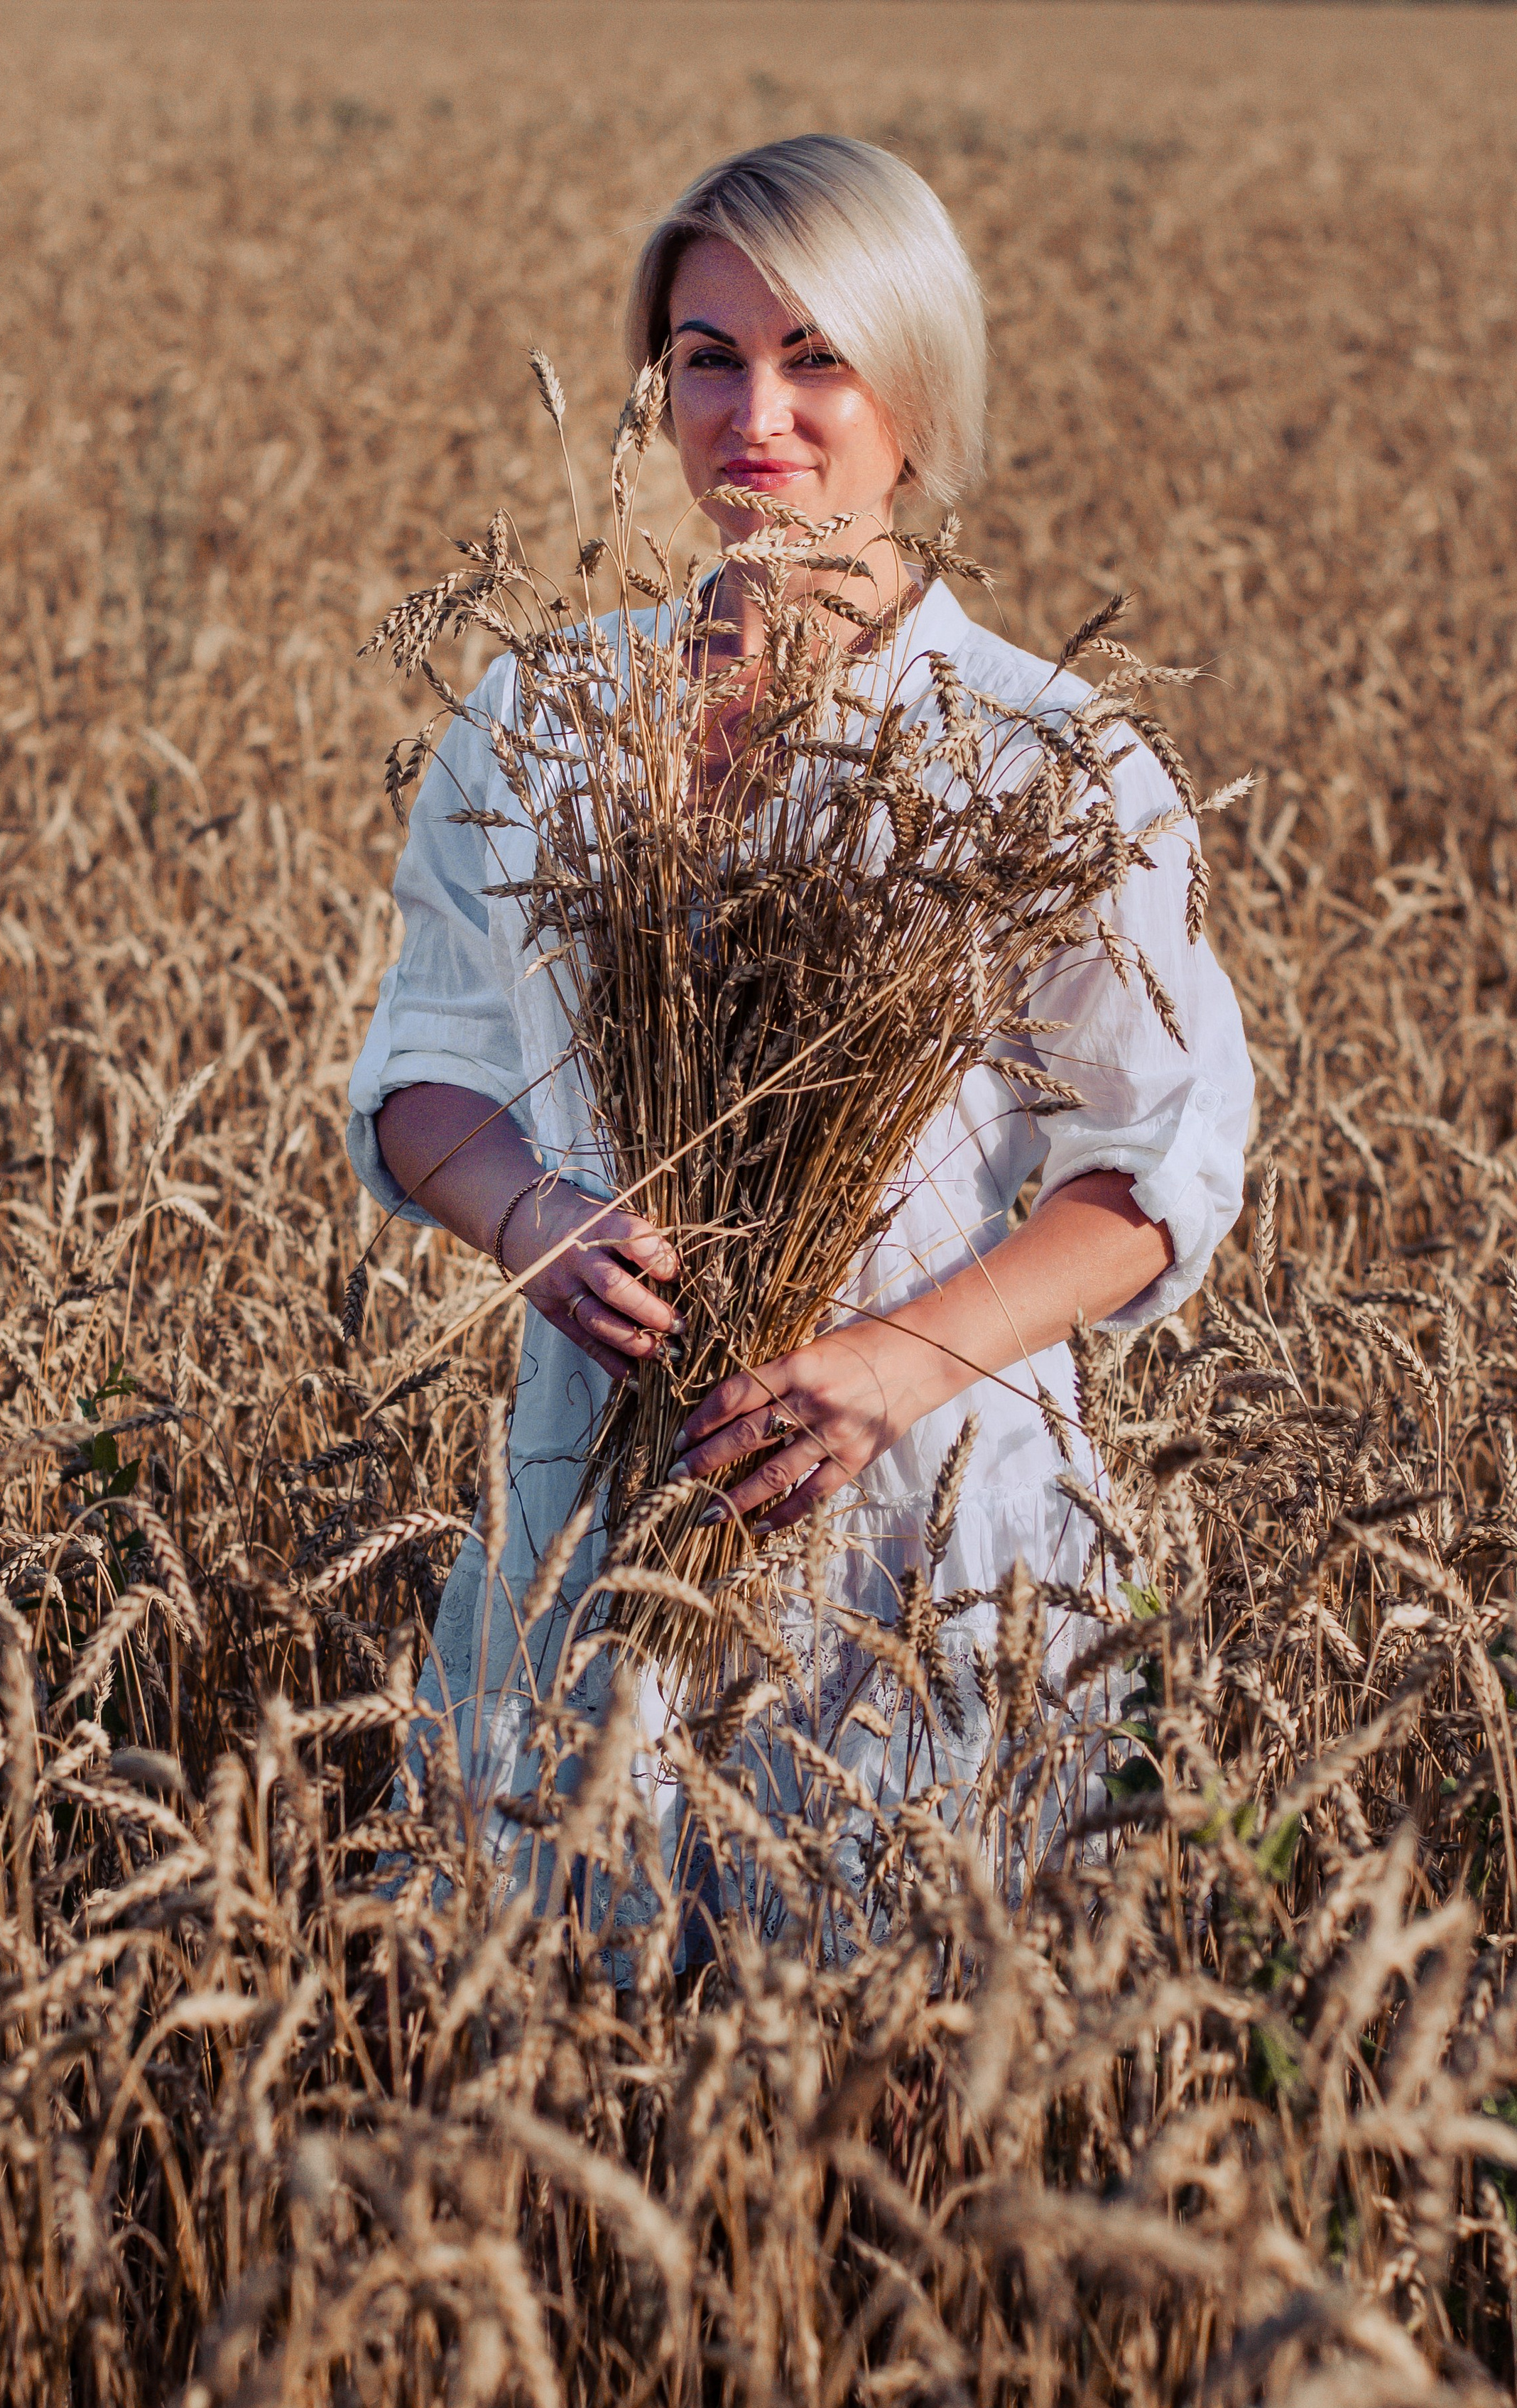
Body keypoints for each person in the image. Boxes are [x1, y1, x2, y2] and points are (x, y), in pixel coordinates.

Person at [346, 134, 1253, 1945]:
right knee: (559, 2040)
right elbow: (422, 1068)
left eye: (816, 355)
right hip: (599, 1492)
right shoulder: (538, 715)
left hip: (932, 1534)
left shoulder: (1051, 756)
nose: (753, 415)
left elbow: (1155, 1173)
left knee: (911, 2088)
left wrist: (892, 1363)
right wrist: (537, 1223)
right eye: (704, 356)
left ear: (914, 383)